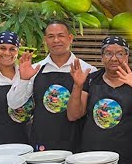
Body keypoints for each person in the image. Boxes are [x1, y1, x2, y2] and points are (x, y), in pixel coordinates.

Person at [68, 35, 132, 164]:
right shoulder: (91, 80)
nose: (114, 58)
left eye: (120, 53)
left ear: (127, 56)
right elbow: (73, 115)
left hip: (130, 155)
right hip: (95, 156)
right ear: (102, 57)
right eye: (108, 53)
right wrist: (77, 85)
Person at [10, 20, 95, 152]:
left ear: (70, 38)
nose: (56, 40)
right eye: (51, 36)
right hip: (42, 141)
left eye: (61, 35)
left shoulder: (87, 70)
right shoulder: (34, 69)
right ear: (45, 40)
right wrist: (24, 79)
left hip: (77, 142)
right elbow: (14, 104)